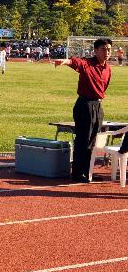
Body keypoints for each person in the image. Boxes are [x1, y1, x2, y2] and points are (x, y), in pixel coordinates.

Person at [54, 38, 113, 181]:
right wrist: (65, 61)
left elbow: (104, 87)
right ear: (95, 50)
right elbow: (76, 62)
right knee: (83, 140)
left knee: (93, 141)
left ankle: (88, 171)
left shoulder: (107, 69)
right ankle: (78, 172)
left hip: (98, 106)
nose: (107, 52)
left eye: (109, 50)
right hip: (85, 105)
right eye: (103, 49)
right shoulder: (87, 63)